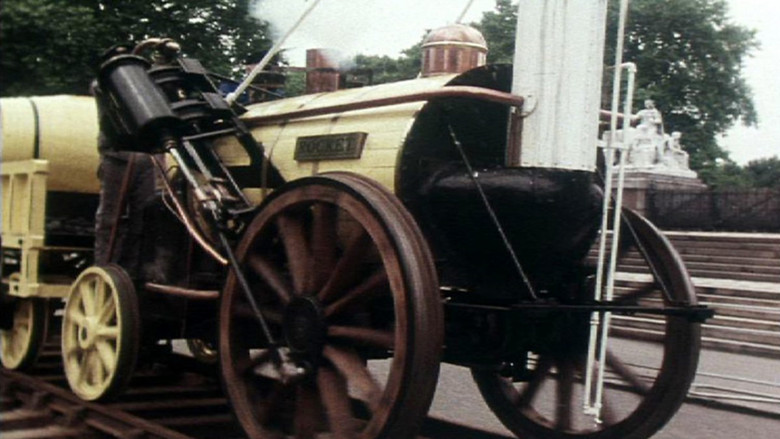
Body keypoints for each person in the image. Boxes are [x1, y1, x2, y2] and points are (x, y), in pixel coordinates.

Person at [91, 44, 157, 279]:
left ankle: (131, 276)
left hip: (148, 158)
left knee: (144, 219)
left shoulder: (146, 84)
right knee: (111, 218)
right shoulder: (104, 85)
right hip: (118, 156)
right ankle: (104, 271)